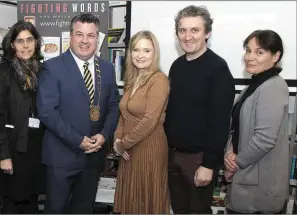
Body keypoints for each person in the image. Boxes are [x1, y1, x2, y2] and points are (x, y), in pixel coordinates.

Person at [36, 13, 120, 214]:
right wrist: (77, 140)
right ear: (71, 36)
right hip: (62, 157)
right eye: (79, 34)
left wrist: (104, 135)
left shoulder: (107, 69)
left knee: (84, 209)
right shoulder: (52, 67)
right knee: (56, 210)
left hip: (93, 158)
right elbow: (46, 111)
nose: (85, 41)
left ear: (97, 39)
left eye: (91, 35)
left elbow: (114, 105)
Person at [164, 5, 235, 214]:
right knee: (178, 210)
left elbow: (220, 123)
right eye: (182, 30)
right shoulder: (176, 66)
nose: (187, 36)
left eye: (194, 30)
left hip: (199, 160)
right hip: (173, 156)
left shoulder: (218, 70)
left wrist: (209, 165)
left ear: (207, 33)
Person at [224, 30, 289, 214]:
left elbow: (264, 139)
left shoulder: (274, 87)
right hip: (244, 181)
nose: (250, 57)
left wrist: (235, 162)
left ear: (275, 56)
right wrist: (229, 153)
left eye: (259, 52)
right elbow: (235, 128)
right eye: (248, 50)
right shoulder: (252, 87)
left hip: (259, 191)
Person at [0, 20, 46, 214]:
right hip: (12, 149)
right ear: (12, 44)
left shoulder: (42, 71)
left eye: (29, 39)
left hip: (35, 149)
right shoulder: (2, 73)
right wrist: (3, 156)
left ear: (36, 42)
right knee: (12, 203)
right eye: (20, 41)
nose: (26, 45)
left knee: (31, 202)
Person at [112, 30, 170, 214]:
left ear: (155, 53)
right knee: (131, 202)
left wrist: (124, 143)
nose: (140, 55)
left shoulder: (159, 80)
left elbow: (150, 121)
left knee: (145, 204)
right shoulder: (132, 79)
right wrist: (116, 140)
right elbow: (124, 114)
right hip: (128, 150)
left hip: (149, 149)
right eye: (136, 50)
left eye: (146, 50)